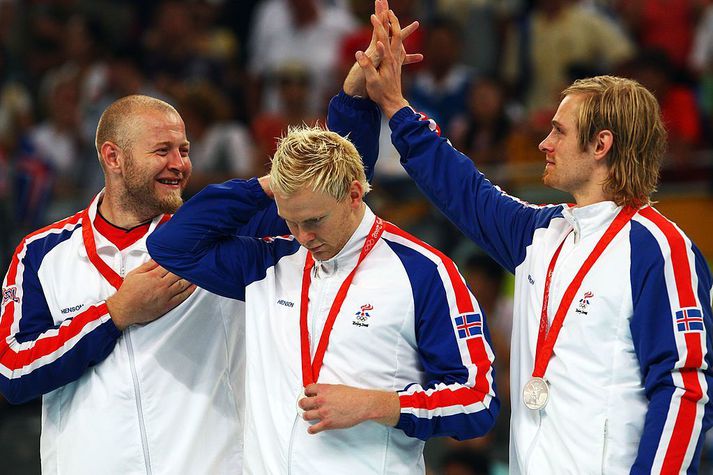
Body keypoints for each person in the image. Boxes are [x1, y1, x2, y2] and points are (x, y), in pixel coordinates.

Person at [348, 9, 713, 473]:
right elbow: (465, 192)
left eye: (559, 131)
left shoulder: (659, 250)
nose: (543, 143)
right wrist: (396, 106)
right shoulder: (543, 233)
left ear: (601, 145)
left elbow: (684, 391)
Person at [147, 123, 499, 472]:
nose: (303, 236)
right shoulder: (270, 262)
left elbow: (478, 402)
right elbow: (172, 244)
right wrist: (263, 188)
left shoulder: (423, 272)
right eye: (290, 221)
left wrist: (377, 404)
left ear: (354, 194)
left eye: (315, 220)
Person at [0, 94, 288, 473]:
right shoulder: (41, 253)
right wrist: (115, 314)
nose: (180, 165)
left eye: (184, 150)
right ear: (113, 157)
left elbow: (324, 201)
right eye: (162, 150)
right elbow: (13, 372)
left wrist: (353, 102)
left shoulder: (220, 236)